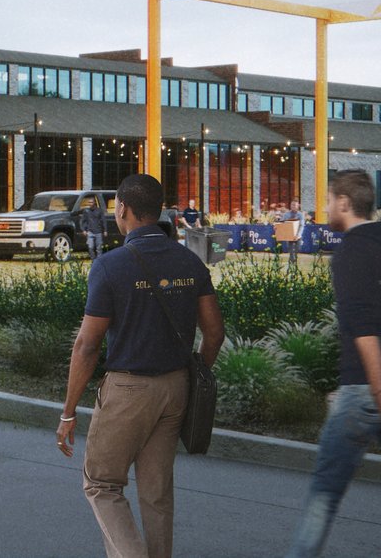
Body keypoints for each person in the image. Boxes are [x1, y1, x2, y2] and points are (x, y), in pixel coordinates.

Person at [56, 173, 224, 558]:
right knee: (156, 492)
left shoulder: (110, 265)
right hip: (176, 389)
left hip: (129, 391)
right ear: (158, 210)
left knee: (101, 484)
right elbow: (214, 333)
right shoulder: (190, 262)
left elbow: (86, 345)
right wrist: (196, 373)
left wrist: (68, 412)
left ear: (123, 209)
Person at [283, 171, 381, 558]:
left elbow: (362, 327)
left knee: (324, 493)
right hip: (363, 390)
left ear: (344, 202)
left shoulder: (351, 251)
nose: (324, 207)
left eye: (328, 199)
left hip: (362, 392)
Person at [281, 199, 307, 270]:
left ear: (298, 206)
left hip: (298, 236)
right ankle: (292, 264)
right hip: (289, 236)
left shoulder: (300, 215)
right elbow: (281, 223)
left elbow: (302, 225)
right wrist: (276, 226)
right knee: (291, 250)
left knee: (297, 249)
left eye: (295, 205)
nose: (293, 206)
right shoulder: (286, 214)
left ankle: (292, 260)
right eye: (292, 205)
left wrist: (298, 235)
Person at [82, 194, 106, 262]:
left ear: (94, 202)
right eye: (89, 202)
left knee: (99, 248)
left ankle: (99, 261)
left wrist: (105, 230)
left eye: (91, 202)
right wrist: (84, 229)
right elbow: (84, 221)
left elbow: (103, 220)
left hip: (98, 232)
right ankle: (93, 260)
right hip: (90, 232)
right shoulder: (86, 211)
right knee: (90, 247)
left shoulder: (99, 211)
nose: (90, 204)